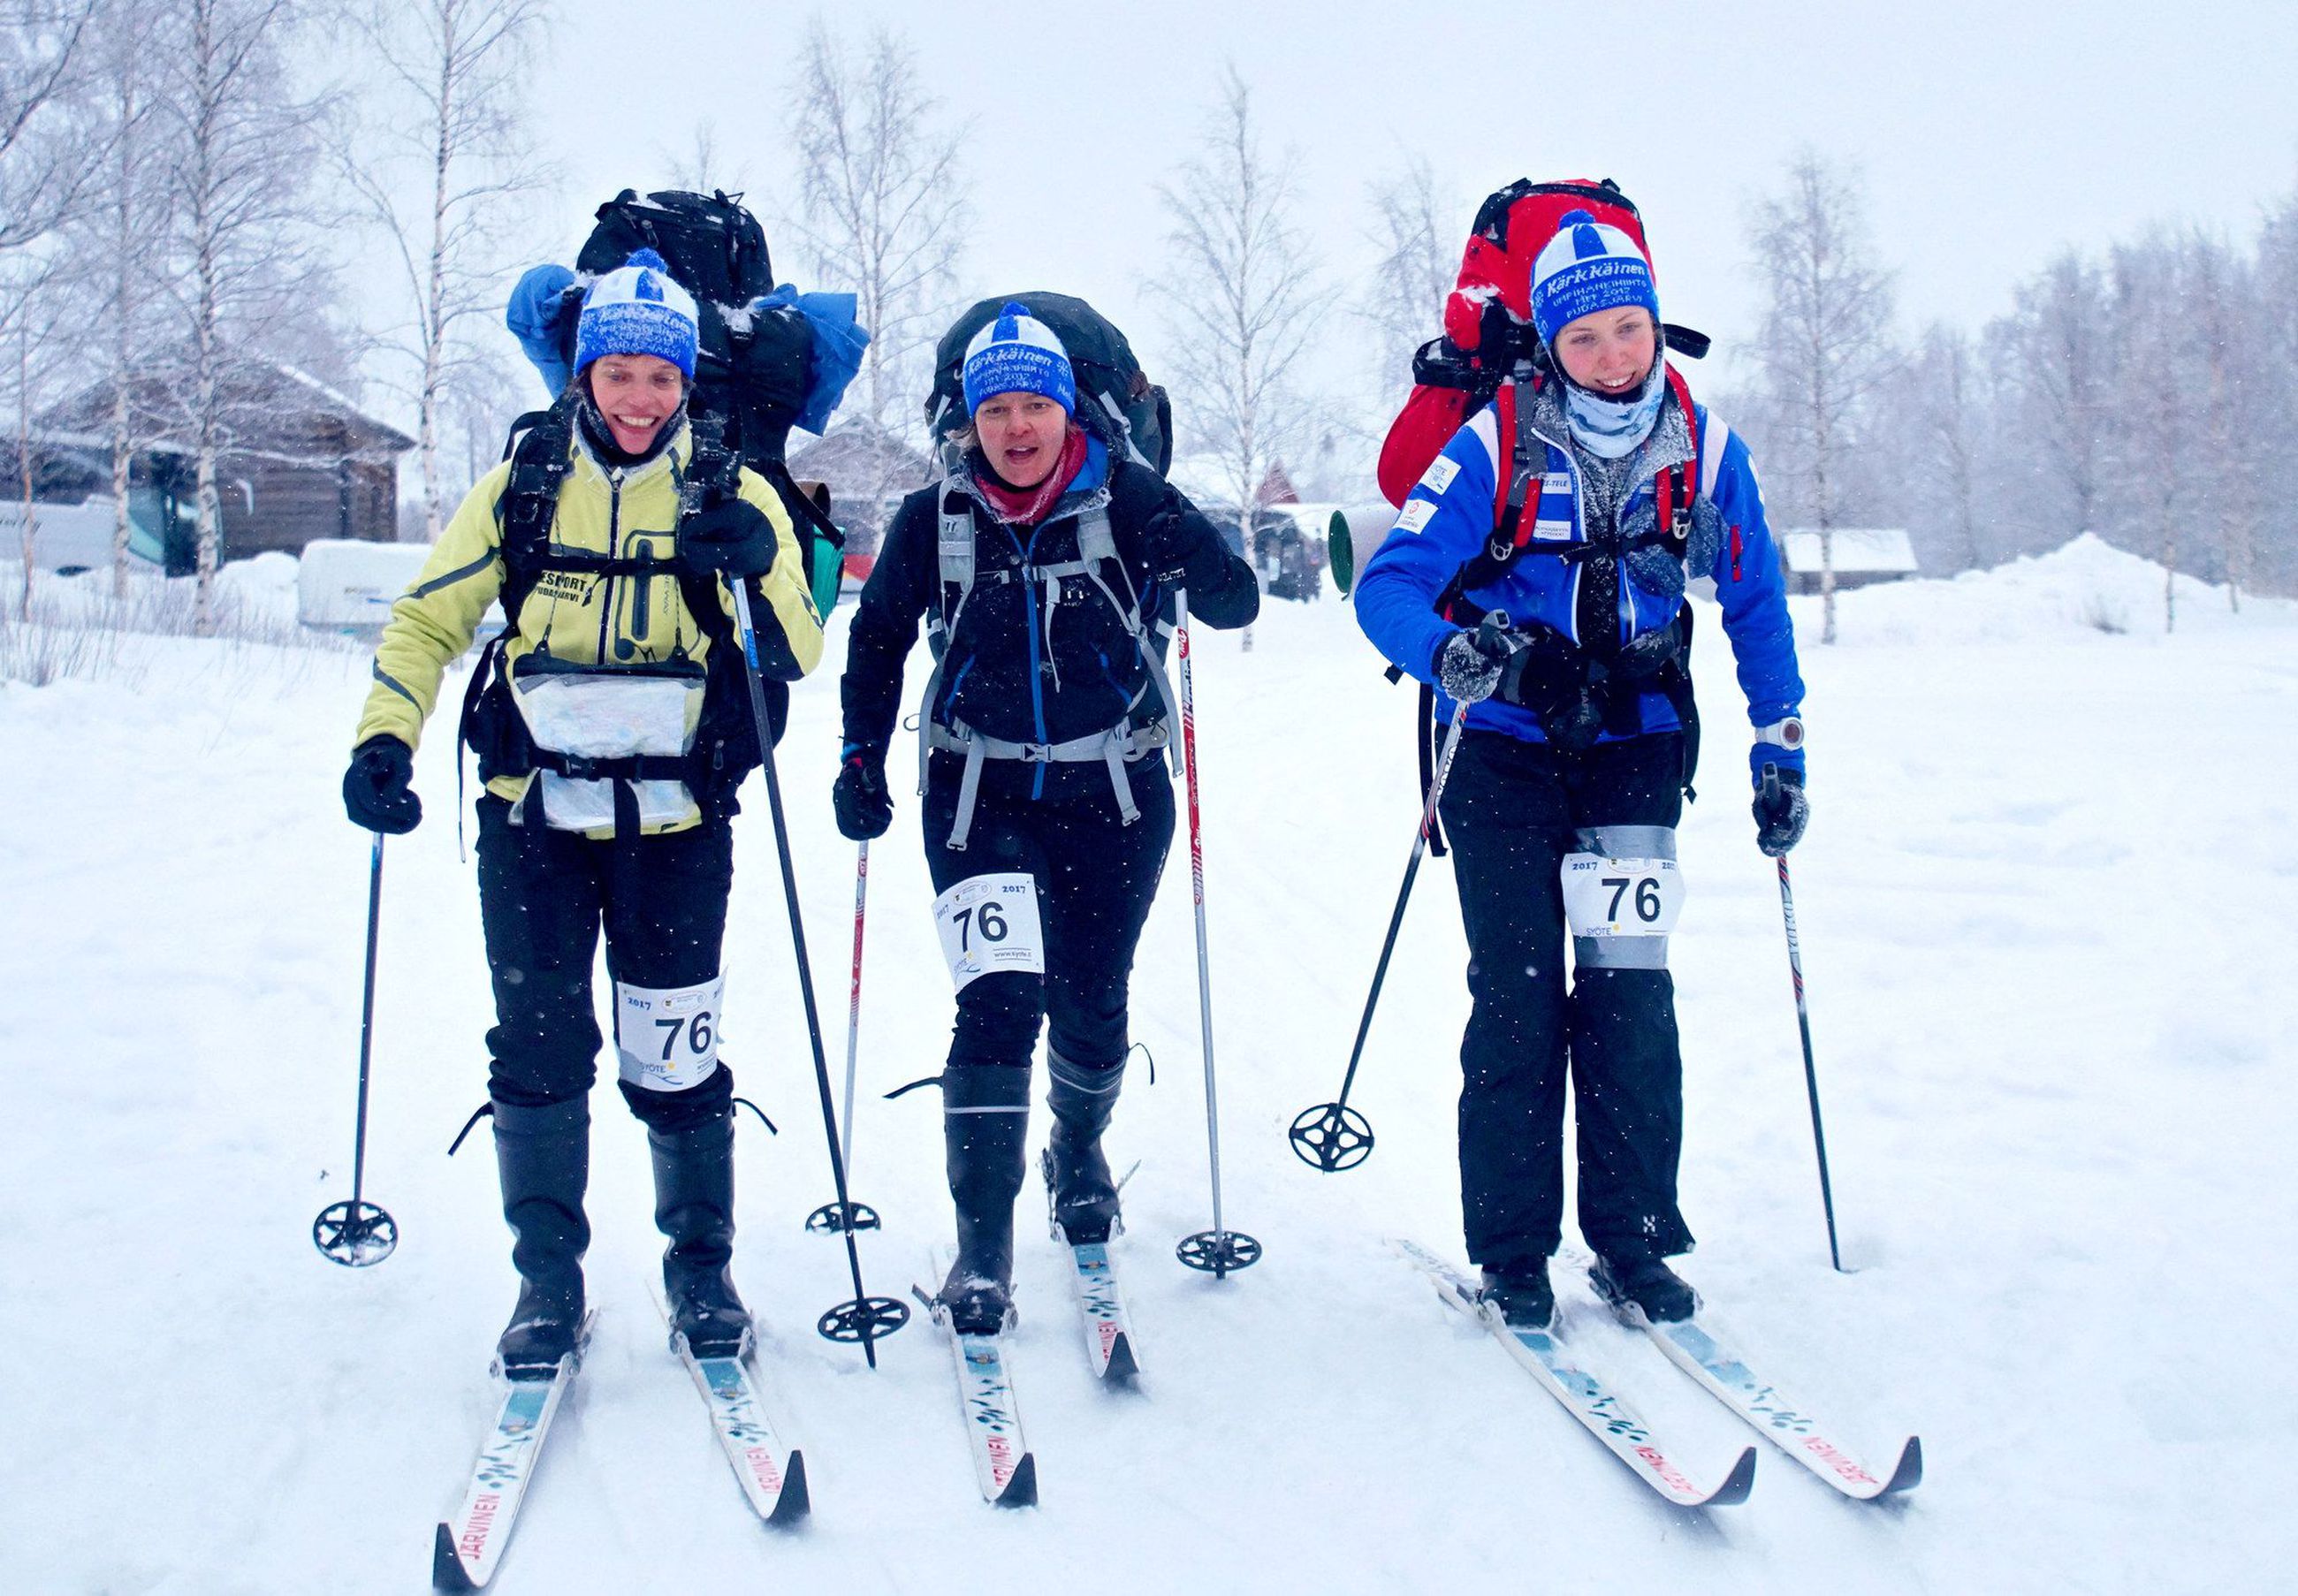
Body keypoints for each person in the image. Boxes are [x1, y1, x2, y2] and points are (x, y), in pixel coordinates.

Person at [339, 248, 826, 1373]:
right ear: (584, 375)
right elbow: (425, 623)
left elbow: (794, 649)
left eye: (661, 378)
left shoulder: (731, 487)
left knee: (674, 1054)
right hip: (531, 823)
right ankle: (546, 1284)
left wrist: (762, 564)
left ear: (686, 380)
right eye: (618, 374)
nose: (640, 398)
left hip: (677, 827)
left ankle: (701, 1273)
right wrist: (382, 738)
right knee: (539, 1051)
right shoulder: (522, 486)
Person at [1354, 205, 1808, 1328]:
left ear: (1656, 328)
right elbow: (1389, 587)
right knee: (1515, 999)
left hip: (1636, 750)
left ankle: (1637, 1242)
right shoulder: (1493, 442)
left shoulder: (1707, 451)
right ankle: (1512, 1255)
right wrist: (1457, 654)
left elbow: (1753, 601)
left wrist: (1777, 740)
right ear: (1548, 346)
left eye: (1627, 330)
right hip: (1501, 755)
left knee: (1627, 998)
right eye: (1582, 339)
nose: (1610, 357)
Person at [833, 302, 1258, 1334]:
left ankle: (1076, 1149)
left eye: (1035, 405)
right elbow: (879, 640)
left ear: (1068, 411)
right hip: (976, 795)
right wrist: (857, 754)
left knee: (1092, 1000)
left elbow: (1237, 602)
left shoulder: (1125, 501)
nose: (1016, 428)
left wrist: (1181, 533)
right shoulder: (931, 521)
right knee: (997, 1000)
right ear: (966, 421)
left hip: (1113, 795)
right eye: (996, 409)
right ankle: (981, 1254)